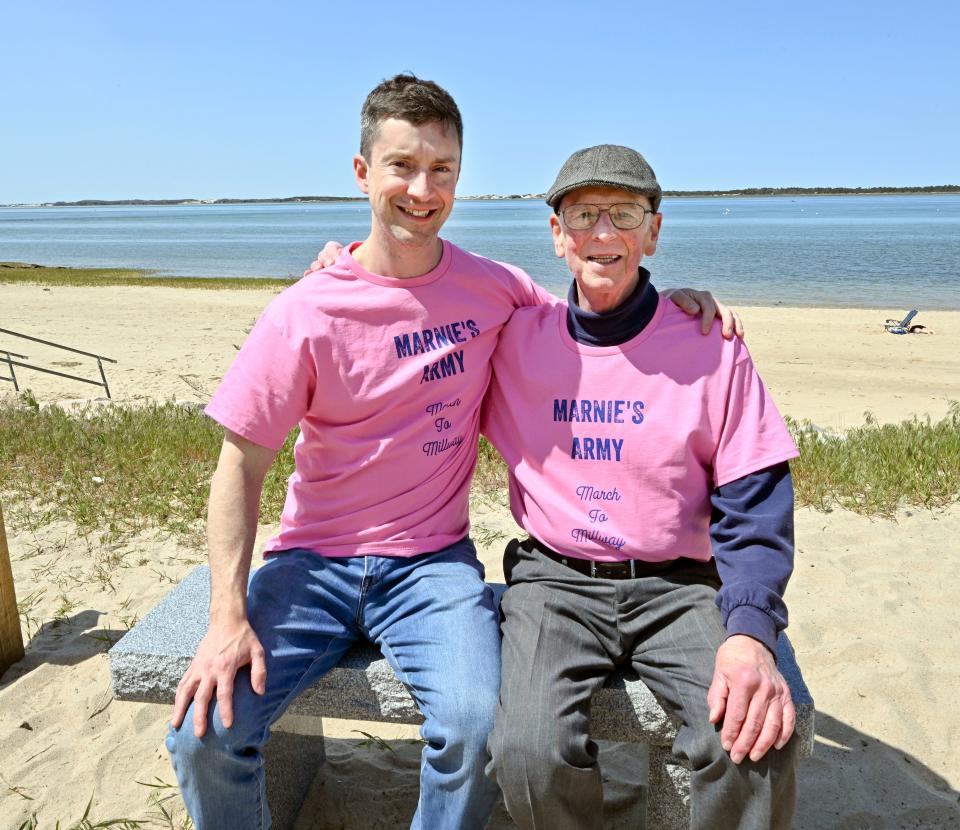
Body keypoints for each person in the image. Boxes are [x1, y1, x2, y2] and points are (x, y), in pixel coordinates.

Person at [165, 74, 736, 830]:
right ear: (363, 172)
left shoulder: (493, 288)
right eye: (401, 165)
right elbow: (238, 467)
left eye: (442, 170)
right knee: (203, 731)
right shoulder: (305, 311)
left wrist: (673, 305)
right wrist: (226, 617)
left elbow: (597, 302)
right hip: (311, 562)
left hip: (432, 566)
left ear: (460, 178)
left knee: (472, 729)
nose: (421, 189)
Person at [482, 144, 800, 829]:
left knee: (755, 745)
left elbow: (755, 502)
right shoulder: (513, 338)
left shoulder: (711, 344)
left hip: (683, 586)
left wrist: (749, 632)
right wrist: (349, 265)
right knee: (527, 752)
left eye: (623, 213)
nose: (603, 233)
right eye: (584, 213)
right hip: (554, 584)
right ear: (557, 234)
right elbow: (412, 309)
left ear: (653, 230)